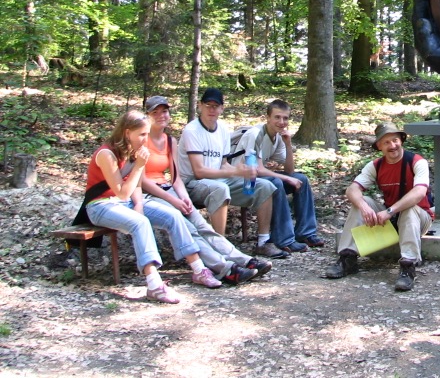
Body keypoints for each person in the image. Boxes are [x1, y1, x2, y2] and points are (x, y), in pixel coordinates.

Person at [84, 110, 222, 304]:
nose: (145, 139)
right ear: (127, 133)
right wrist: (140, 165)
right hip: (101, 205)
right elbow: (121, 192)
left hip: (126, 202)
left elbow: (134, 186)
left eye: (147, 134)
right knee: (140, 223)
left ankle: (199, 269)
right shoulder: (107, 154)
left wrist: (139, 203)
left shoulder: (133, 149)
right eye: (142, 134)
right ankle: (154, 284)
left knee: (173, 215)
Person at [140, 96, 270, 285]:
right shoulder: (140, 139)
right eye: (155, 112)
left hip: (169, 190)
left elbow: (175, 178)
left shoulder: (169, 140)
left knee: (201, 225)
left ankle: (243, 260)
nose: (161, 115)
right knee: (188, 228)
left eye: (164, 111)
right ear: (147, 115)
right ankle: (224, 268)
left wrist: (183, 198)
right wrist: (174, 200)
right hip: (148, 194)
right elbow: (141, 180)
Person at [177, 88, 288, 260]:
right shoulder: (192, 130)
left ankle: (263, 242)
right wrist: (235, 171)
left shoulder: (222, 129)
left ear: (222, 109)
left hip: (218, 179)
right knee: (220, 189)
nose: (212, 110)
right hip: (191, 184)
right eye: (208, 105)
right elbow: (199, 171)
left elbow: (223, 164)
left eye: (216, 106)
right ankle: (219, 249)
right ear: (200, 106)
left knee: (264, 186)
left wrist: (242, 171)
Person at [325, 122, 434, 292]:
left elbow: (419, 193)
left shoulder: (416, 161)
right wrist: (364, 207)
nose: (392, 145)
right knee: (361, 202)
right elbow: (352, 189)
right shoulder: (376, 165)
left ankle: (408, 265)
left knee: (409, 208)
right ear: (379, 146)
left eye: (395, 140)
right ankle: (348, 257)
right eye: (386, 142)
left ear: (401, 141)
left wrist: (390, 211)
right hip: (391, 217)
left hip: (419, 217)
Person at [232, 99, 323, 253]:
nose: (281, 122)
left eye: (285, 118)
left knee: (301, 179)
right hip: (242, 182)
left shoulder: (277, 137)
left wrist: (288, 144)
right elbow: (257, 169)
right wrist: (286, 178)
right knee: (276, 182)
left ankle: (306, 233)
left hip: (257, 178)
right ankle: (283, 239)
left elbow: (289, 170)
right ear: (268, 117)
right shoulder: (256, 134)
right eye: (277, 117)